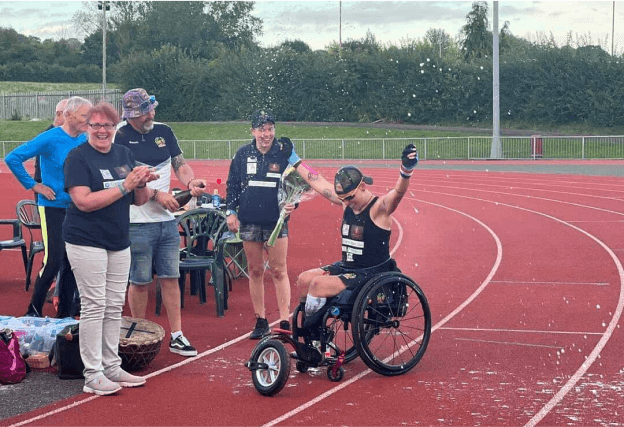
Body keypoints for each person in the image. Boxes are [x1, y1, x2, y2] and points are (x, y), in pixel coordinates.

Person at [63, 102, 156, 395]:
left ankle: (111, 365)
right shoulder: (77, 158)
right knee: (94, 305)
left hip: (118, 240)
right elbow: (83, 201)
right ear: (86, 128)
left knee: (115, 305)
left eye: (107, 125)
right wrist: (125, 185)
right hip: (85, 240)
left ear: (114, 128)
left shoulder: (124, 154)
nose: (102, 131)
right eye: (96, 125)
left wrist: (141, 183)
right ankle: (92, 375)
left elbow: (139, 201)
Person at [114, 88, 206, 357]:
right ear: (131, 115)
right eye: (144, 112)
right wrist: (157, 195)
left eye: (151, 109)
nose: (151, 115)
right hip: (135, 221)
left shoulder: (164, 131)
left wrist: (190, 182)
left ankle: (177, 335)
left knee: (170, 277)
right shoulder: (119, 135)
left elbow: (180, 164)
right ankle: (137, 334)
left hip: (166, 221)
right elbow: (125, 180)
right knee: (140, 281)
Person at [295, 144, 419, 317]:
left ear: (362, 186)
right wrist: (294, 160)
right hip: (348, 267)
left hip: (370, 273)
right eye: (342, 199)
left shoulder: (378, 209)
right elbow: (317, 181)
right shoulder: (347, 202)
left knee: (317, 285)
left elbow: (398, 192)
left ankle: (314, 332)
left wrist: (406, 170)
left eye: (350, 197)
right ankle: (310, 330)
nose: (346, 203)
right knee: (304, 279)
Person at [5, 96, 92, 318]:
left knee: (73, 260)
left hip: (78, 208)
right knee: (53, 260)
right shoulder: (50, 138)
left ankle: (64, 314)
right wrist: (34, 185)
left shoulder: (85, 139)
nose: (88, 120)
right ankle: (33, 310)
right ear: (68, 115)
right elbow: (13, 158)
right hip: (52, 207)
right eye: (84, 116)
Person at [225, 110, 299, 339]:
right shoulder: (243, 154)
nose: (266, 134)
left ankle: (285, 321)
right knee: (255, 271)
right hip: (249, 222)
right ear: (253, 131)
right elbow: (233, 186)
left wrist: (293, 205)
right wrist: (231, 212)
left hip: (276, 222)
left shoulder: (283, 153)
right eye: (262, 129)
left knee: (279, 270)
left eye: (270, 129)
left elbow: (297, 184)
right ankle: (260, 320)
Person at [34, 99, 69, 198]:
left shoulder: (70, 135)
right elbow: (13, 158)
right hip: (50, 198)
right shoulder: (46, 137)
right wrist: (34, 185)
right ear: (59, 114)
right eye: (70, 114)